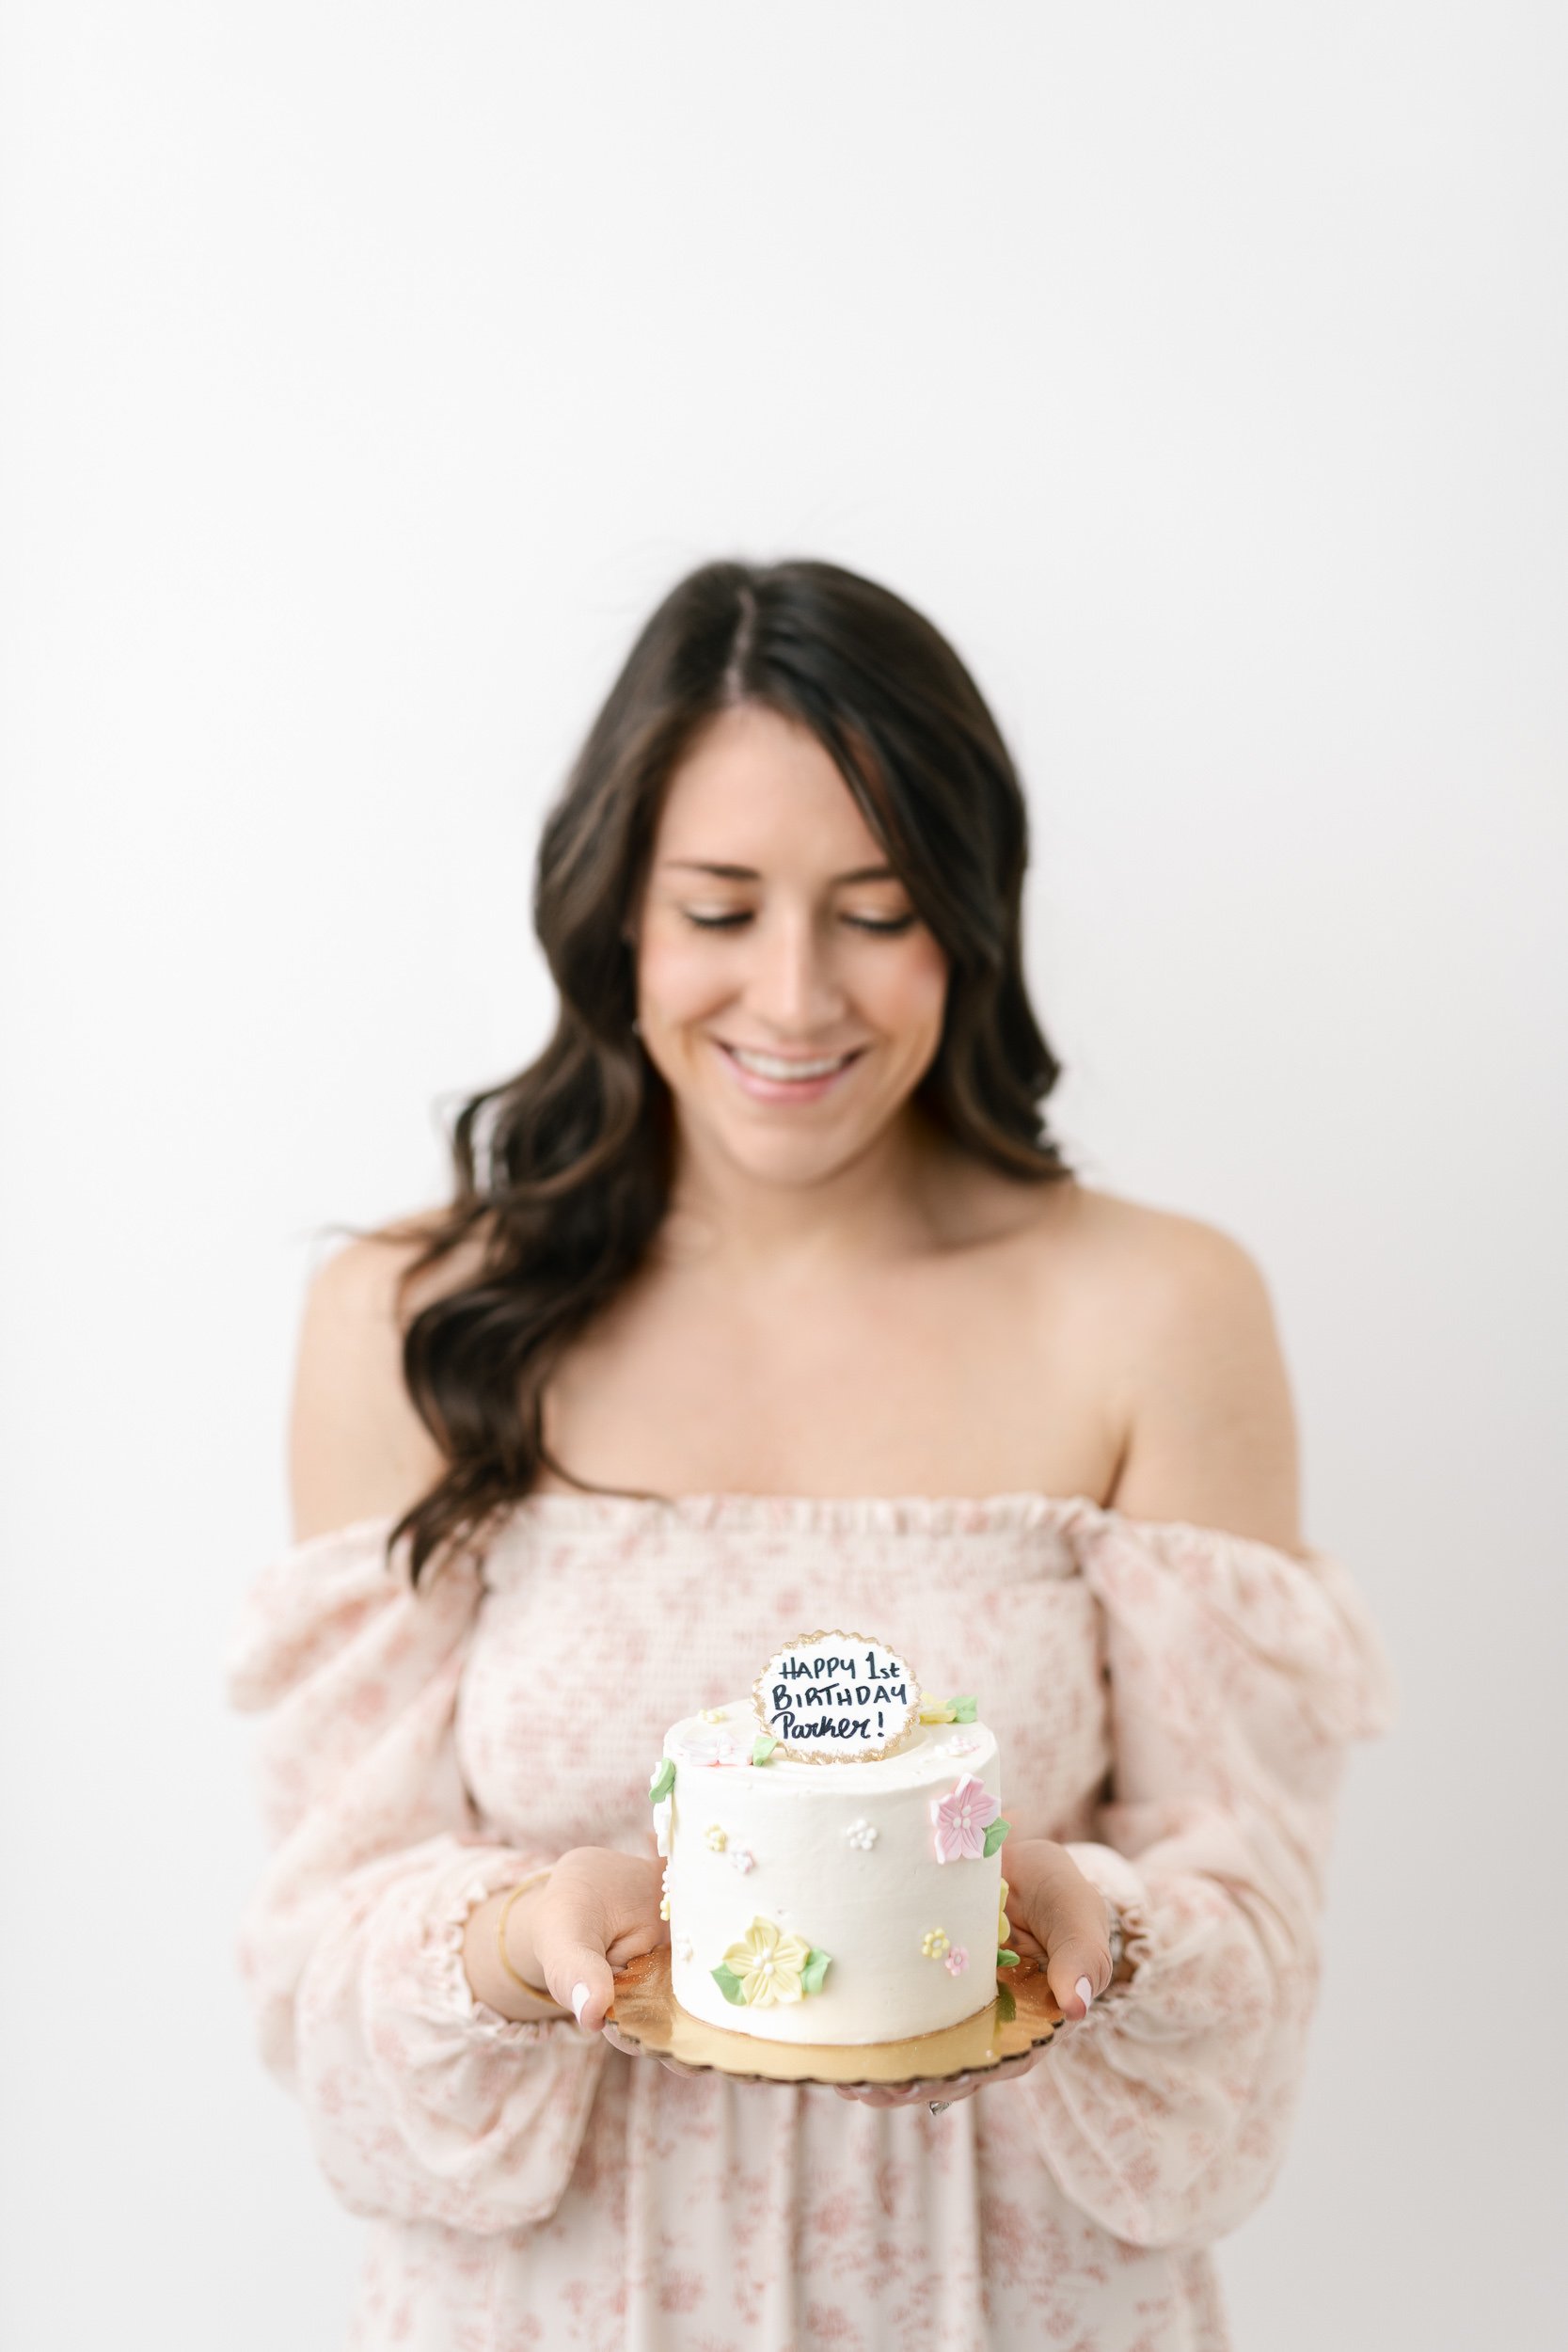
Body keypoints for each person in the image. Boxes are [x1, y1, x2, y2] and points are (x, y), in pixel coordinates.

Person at [227, 556, 1398, 2350]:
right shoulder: (414, 1314)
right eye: (719, 909)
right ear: (615, 914)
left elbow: (1258, 1976)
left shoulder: (1158, 1307)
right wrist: (525, 1938)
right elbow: (320, 1982)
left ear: (972, 919)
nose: (794, 998)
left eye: (875, 909)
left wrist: (1102, 1934)